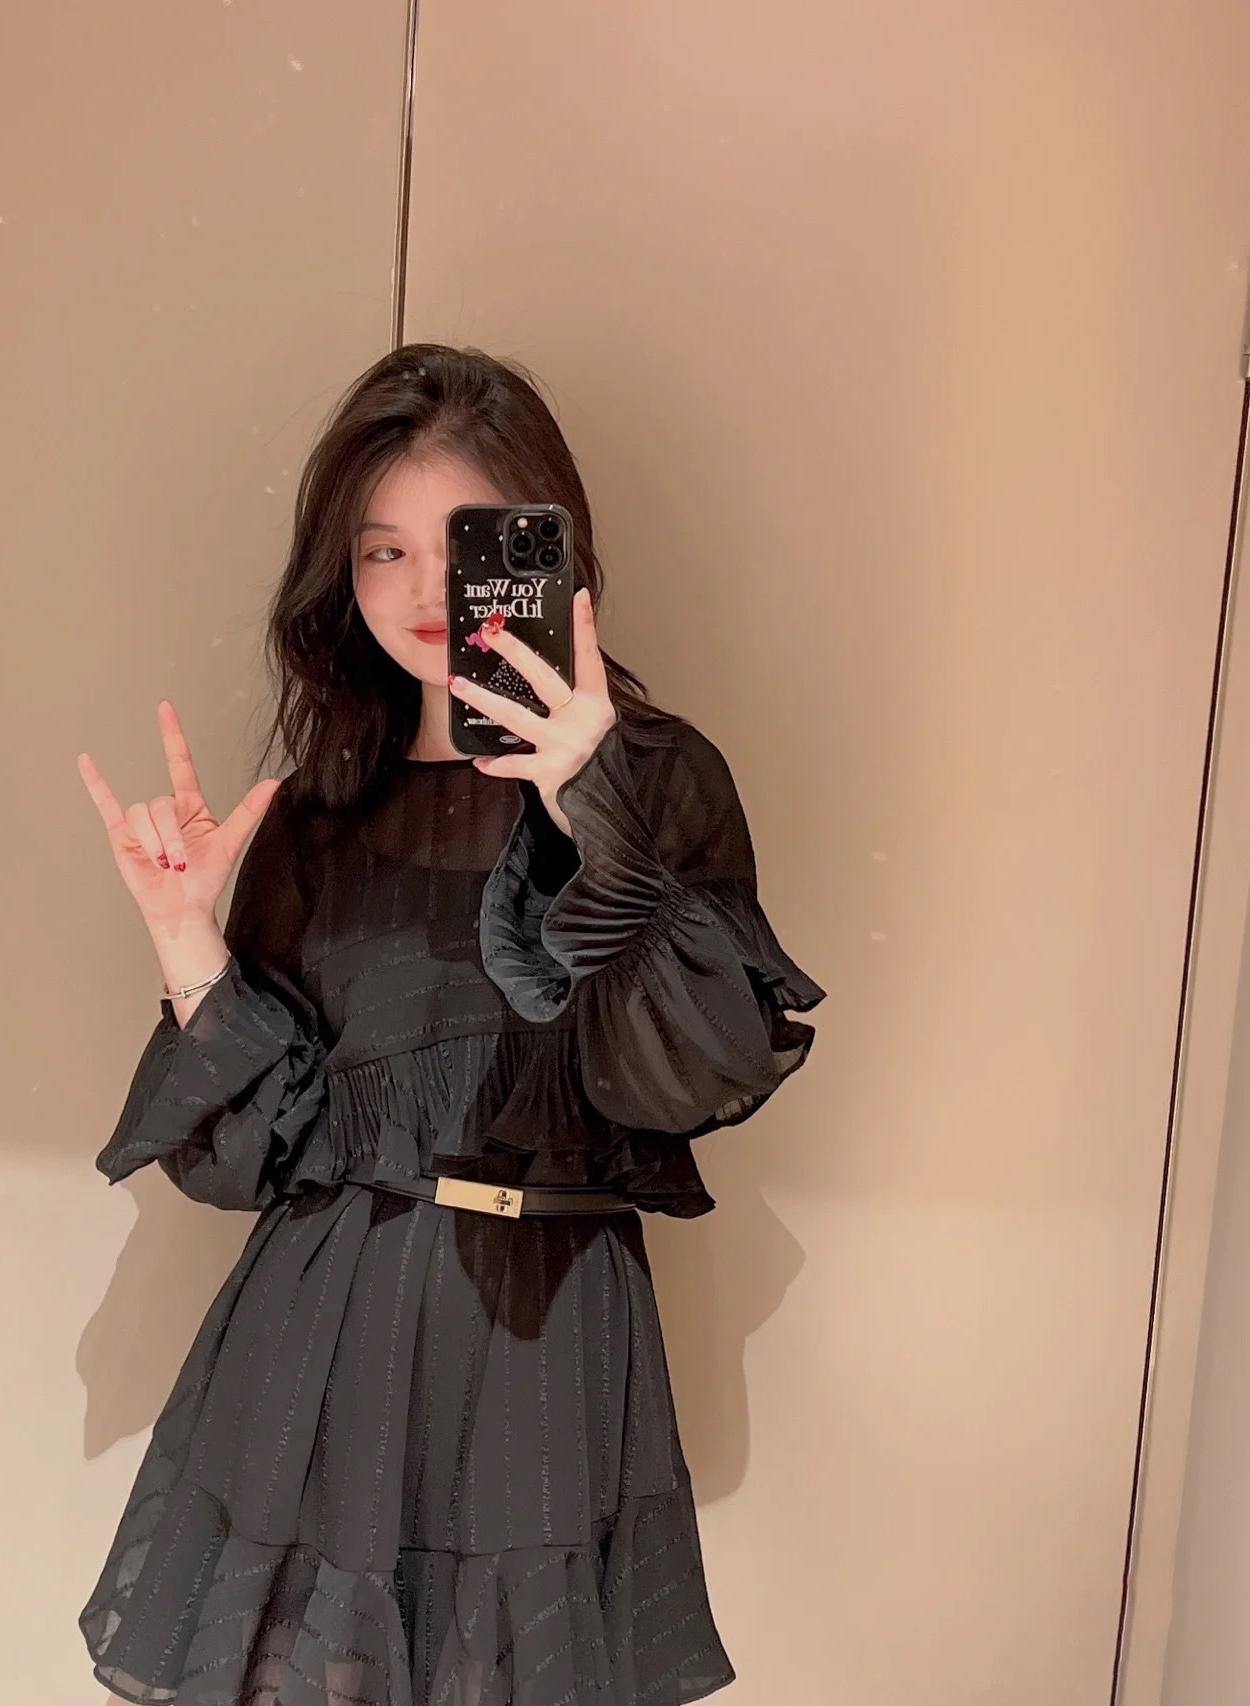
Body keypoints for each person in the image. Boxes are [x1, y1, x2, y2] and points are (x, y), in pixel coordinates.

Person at [75, 343, 824, 1706]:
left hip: (544, 1328)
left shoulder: (661, 777)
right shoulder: (321, 813)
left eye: (464, 545)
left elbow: (693, 1073)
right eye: (382, 551)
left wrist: (591, 801)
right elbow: (247, 1160)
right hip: (320, 1334)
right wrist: (187, 939)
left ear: (546, 547)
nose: (425, 590)